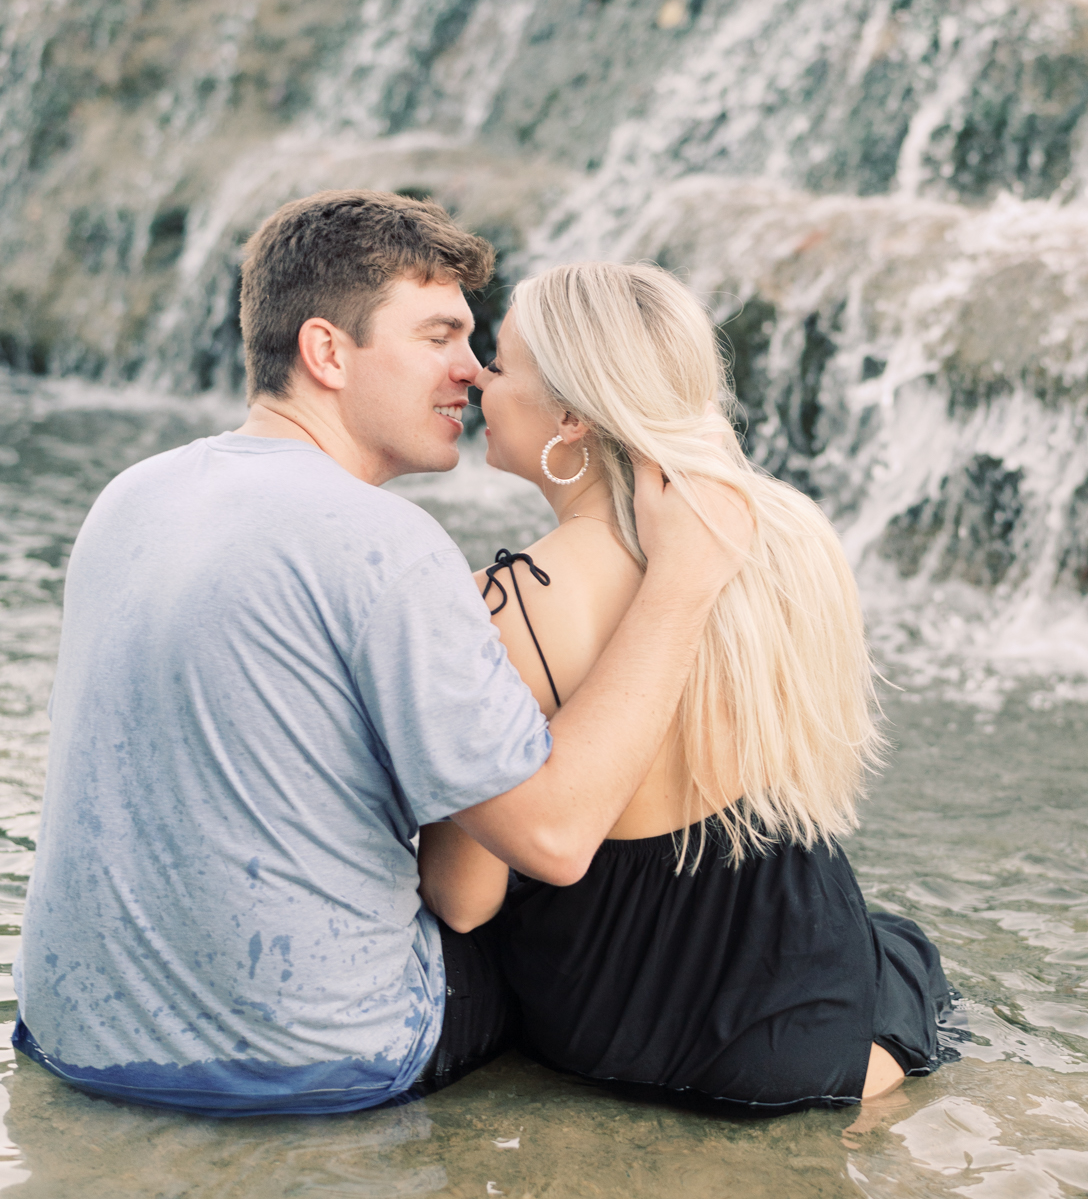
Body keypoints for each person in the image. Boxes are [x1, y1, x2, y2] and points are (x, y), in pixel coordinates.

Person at [11, 192, 749, 1116]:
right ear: (327, 352)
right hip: (317, 1055)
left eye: (475, 343)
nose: (473, 373)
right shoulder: (385, 543)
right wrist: (681, 583)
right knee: (591, 923)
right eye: (440, 335)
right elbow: (554, 841)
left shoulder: (133, 493)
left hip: (80, 1033)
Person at [419, 262, 955, 1112]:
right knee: (903, 954)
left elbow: (464, 898)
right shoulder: (782, 539)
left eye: (502, 363)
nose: (480, 378)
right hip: (805, 975)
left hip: (623, 1014)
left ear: (571, 416)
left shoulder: (508, 604)